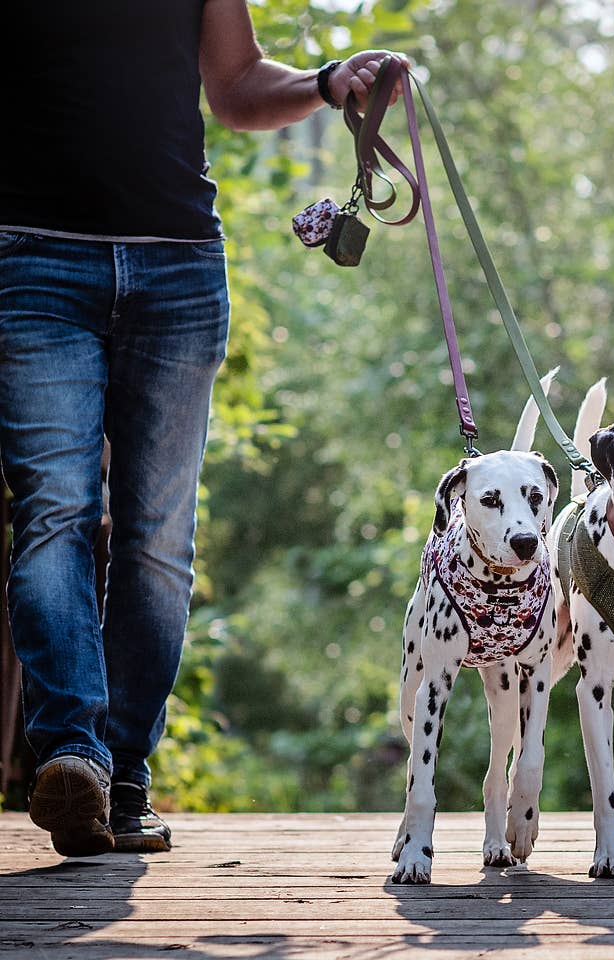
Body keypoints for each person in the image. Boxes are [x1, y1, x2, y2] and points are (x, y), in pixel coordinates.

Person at [0, 1, 407, 857]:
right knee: (55, 511)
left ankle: (122, 777)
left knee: (158, 540)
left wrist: (330, 83)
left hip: (177, 266)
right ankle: (73, 753)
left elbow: (234, 85)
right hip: (32, 257)